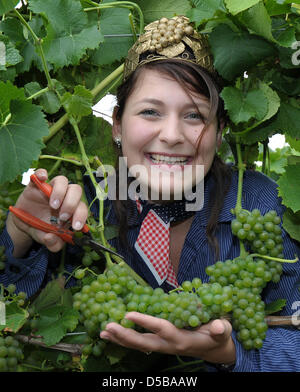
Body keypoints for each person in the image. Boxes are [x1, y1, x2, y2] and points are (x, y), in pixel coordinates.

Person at [0, 16, 299, 372]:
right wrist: (18, 236)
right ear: (117, 125)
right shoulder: (89, 205)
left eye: (194, 116)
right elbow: (13, 314)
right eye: (150, 111)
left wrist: (231, 353)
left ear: (219, 134)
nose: (172, 134)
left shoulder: (261, 204)